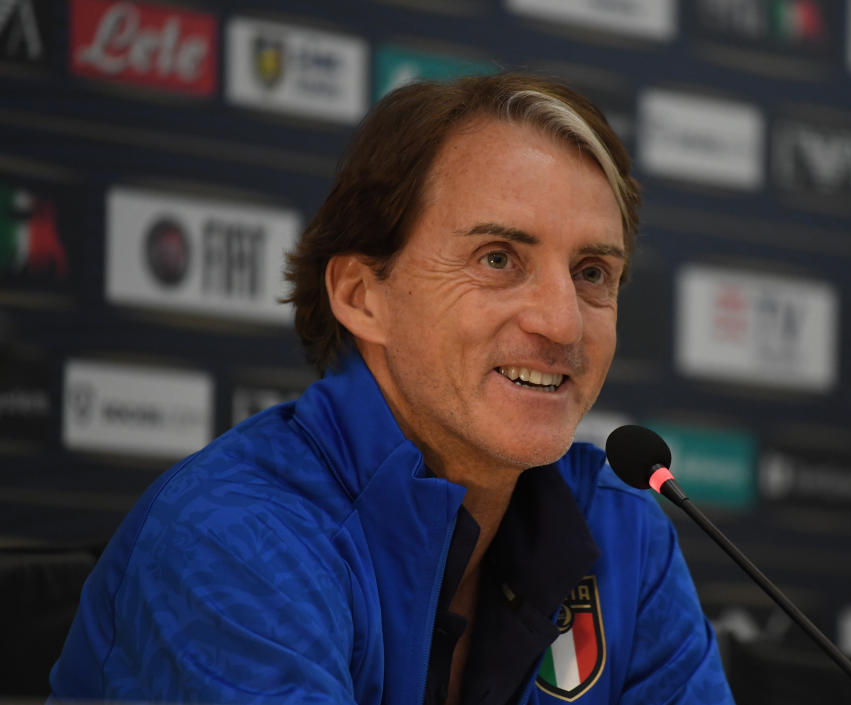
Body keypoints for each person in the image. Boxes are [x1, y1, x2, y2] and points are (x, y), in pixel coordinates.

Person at [49, 73, 735, 704]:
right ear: (361, 294)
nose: (560, 323)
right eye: (497, 259)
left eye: (591, 272)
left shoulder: (623, 534)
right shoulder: (236, 540)